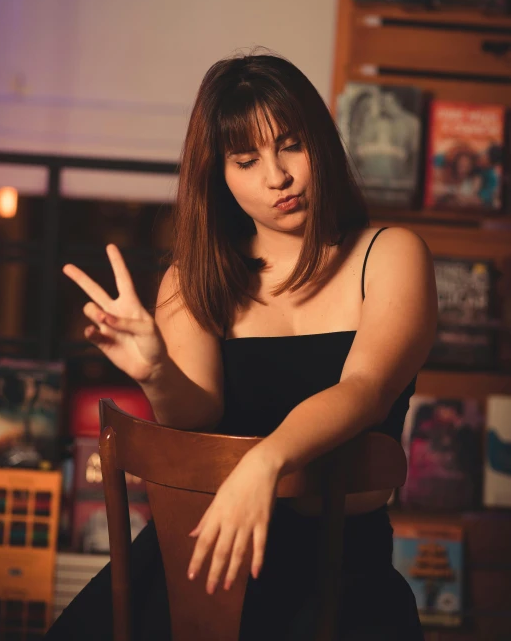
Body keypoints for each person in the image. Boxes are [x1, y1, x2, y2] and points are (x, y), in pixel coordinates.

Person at [46, 52, 438, 640]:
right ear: (219, 177)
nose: (276, 176)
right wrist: (157, 374)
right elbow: (196, 414)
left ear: (323, 145)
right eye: (246, 160)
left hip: (336, 573)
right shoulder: (195, 276)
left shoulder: (389, 254)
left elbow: (366, 389)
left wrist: (265, 463)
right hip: (200, 558)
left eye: (291, 145)